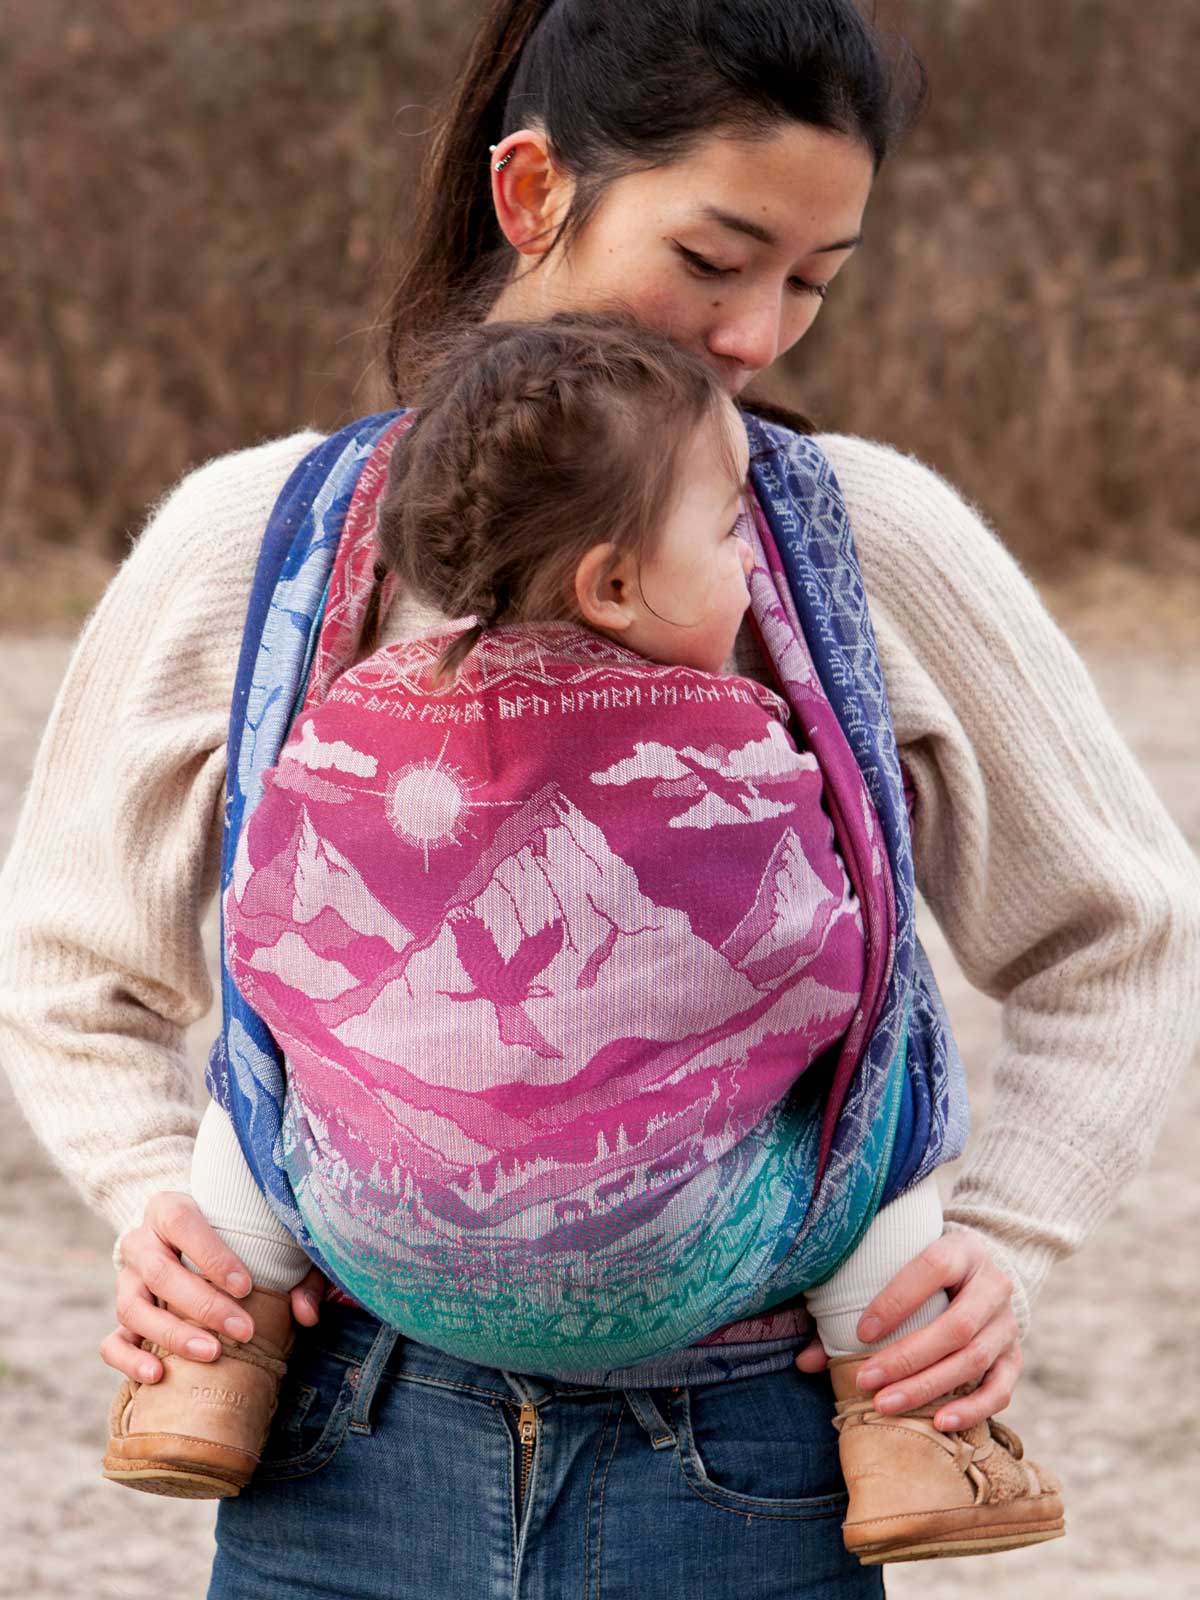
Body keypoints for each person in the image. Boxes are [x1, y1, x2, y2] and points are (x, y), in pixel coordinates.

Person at [0, 2, 1194, 1595]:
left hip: (747, 1469)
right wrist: (167, 1208)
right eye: (716, 259)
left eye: (812, 284)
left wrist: (1006, 1248)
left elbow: (1123, 930)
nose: (760, 333)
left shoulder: (867, 543)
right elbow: (73, 953)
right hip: (337, 1448)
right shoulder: (257, 540)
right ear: (531, 193)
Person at [101, 311, 1063, 1567]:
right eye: (727, 536)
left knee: (264, 1081)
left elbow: (272, 944)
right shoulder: (730, 739)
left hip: (369, 1241)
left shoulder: (348, 711)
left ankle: (211, 1364)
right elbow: (829, 969)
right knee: (882, 1073)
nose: (749, 564)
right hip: (691, 1265)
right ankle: (906, 1423)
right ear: (615, 580)